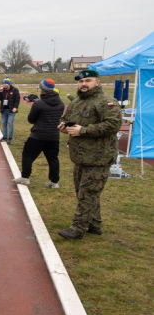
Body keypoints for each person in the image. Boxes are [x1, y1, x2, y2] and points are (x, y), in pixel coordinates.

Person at [57, 70, 121, 240]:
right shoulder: (76, 102)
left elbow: (113, 125)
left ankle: (78, 229)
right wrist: (64, 126)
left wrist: (83, 130)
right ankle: (94, 223)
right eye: (81, 81)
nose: (83, 84)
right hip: (80, 157)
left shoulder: (106, 102)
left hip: (98, 158)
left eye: (88, 81)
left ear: (97, 82)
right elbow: (66, 118)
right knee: (85, 193)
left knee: (87, 194)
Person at [13, 79, 65, 188]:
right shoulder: (60, 103)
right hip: (54, 136)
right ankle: (54, 182)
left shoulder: (39, 104)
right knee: (53, 158)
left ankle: (25, 177)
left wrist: (35, 104)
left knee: (28, 154)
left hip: (38, 135)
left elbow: (31, 120)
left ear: (42, 89)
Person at [0, 79, 20, 144]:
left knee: (10, 123)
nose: (4, 84)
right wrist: (0, 92)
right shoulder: (2, 90)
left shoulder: (14, 90)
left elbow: (17, 99)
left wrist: (15, 107)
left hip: (11, 110)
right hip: (4, 110)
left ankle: (10, 138)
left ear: (8, 84)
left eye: (5, 83)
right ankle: (4, 137)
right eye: (3, 83)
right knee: (4, 123)